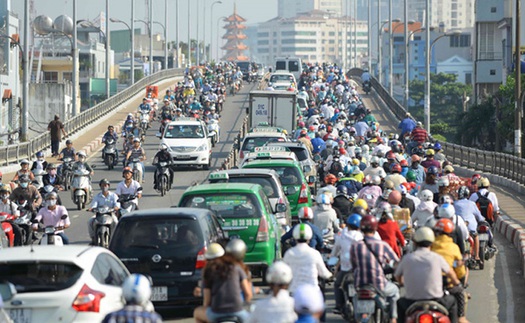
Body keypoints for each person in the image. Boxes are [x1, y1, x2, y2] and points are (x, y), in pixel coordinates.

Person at [395, 227, 460, 323]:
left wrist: (402, 283)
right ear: (432, 242)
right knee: (453, 301)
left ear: (415, 242)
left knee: (399, 304)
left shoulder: (407, 258)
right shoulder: (437, 258)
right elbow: (451, 274)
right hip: (437, 300)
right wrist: (457, 284)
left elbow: (397, 276)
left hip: (411, 301)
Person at [350, 215, 400, 323]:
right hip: (379, 284)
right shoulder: (382, 245)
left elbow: (354, 265)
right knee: (395, 291)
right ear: (375, 228)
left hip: (360, 284)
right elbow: (397, 262)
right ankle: (393, 318)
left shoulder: (355, 246)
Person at [194, 243, 252, 323]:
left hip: (216, 313)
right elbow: (248, 294)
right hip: (238, 312)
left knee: (197, 313)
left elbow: (207, 301)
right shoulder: (236, 267)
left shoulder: (208, 271)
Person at [431, 219, 468, 323]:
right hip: (448, 285)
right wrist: (459, 281)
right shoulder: (453, 247)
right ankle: (461, 318)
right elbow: (460, 272)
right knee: (461, 293)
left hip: (428, 286)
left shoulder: (430, 246)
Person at [283, 223, 333, 293]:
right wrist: (331, 276)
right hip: (312, 293)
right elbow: (324, 273)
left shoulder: (289, 253)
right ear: (309, 238)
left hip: (294, 292)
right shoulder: (315, 253)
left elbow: (284, 273)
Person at [331, 213, 363, 315]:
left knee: (337, 285)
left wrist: (332, 259)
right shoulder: (362, 237)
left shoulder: (342, 237)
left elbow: (334, 252)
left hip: (345, 269)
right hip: (361, 270)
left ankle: (338, 306)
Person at [455, 186, 485, 260]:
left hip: (459, 228)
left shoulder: (455, 204)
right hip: (471, 227)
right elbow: (479, 216)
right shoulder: (472, 204)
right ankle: (477, 256)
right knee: (476, 236)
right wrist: (482, 219)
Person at [87, 179, 120, 244]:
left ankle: (115, 237)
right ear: (100, 186)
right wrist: (92, 208)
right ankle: (93, 237)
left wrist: (116, 208)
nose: (104, 187)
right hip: (99, 214)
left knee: (116, 222)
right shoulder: (97, 196)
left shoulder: (113, 195)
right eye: (102, 185)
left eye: (106, 185)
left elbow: (117, 205)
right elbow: (94, 205)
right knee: (90, 221)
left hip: (110, 214)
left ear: (108, 186)